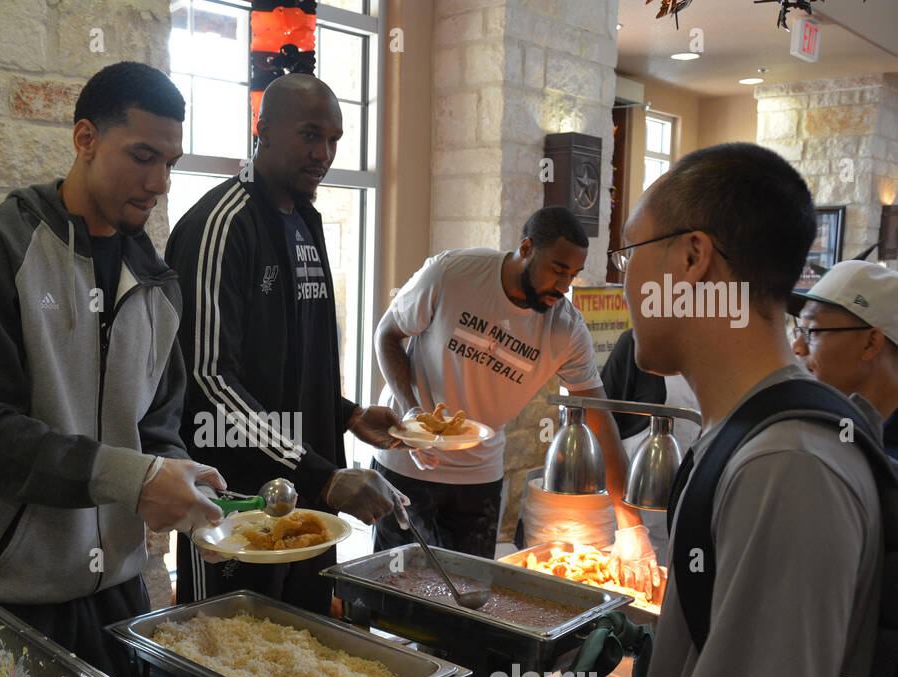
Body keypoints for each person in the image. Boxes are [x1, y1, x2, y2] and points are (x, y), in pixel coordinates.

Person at [591, 142, 882, 677]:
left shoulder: (787, 465)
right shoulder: (746, 429)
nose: (623, 283)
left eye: (630, 254)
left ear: (693, 260)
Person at [0, 62, 224, 677]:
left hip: (119, 591)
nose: (158, 184)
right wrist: (134, 478)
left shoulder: (157, 281)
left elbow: (156, 424)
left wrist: (175, 473)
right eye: (142, 157)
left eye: (170, 163)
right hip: (7, 593)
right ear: (85, 138)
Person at [166, 73, 403, 615]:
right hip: (235, 507)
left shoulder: (304, 220)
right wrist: (323, 474)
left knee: (302, 648)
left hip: (304, 506)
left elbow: (286, 363)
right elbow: (209, 380)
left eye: (334, 140)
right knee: (228, 660)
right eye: (310, 135)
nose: (324, 154)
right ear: (263, 130)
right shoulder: (223, 225)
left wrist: (344, 414)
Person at [373, 207, 658, 588]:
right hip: (406, 462)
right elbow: (387, 335)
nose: (564, 286)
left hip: (479, 476)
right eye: (557, 270)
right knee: (388, 589)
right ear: (526, 248)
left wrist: (629, 525)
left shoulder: (565, 330)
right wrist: (413, 417)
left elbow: (598, 417)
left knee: (467, 599)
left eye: (572, 275)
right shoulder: (454, 273)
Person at [600, 327, 701, 555]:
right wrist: (629, 524)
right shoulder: (635, 344)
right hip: (632, 521)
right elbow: (601, 424)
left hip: (691, 512)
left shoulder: (721, 355)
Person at [791, 259, 898, 460]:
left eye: (811, 331)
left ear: (871, 343)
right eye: (799, 330)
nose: (797, 347)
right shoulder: (840, 428)